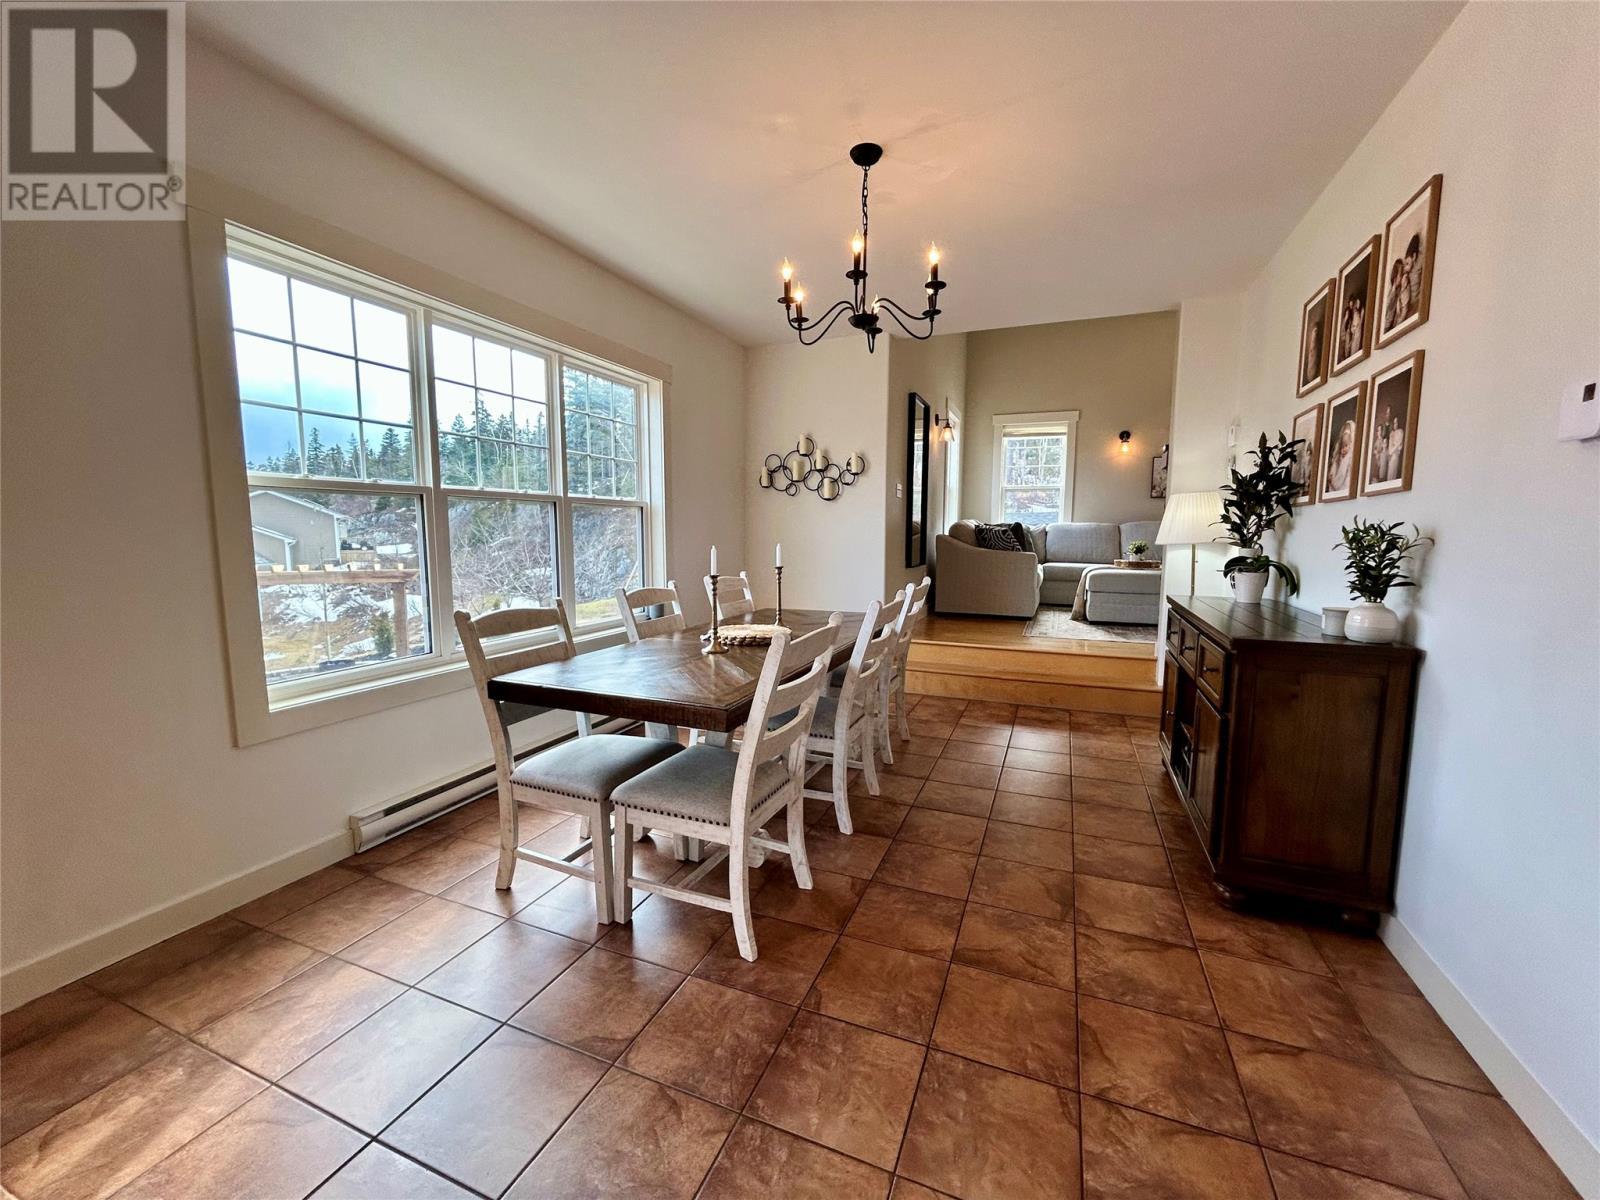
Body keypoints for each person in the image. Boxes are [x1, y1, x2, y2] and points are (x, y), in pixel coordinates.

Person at [1325, 418, 1354, 493]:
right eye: (1342, 446)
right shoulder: (1338, 458)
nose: (1343, 449)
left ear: (1351, 445)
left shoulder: (1349, 458)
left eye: (1346, 445)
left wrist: (1333, 481)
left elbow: (1341, 475)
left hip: (1344, 486)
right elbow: (1332, 473)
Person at [1384, 259, 1409, 331]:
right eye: (1400, 275)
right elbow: (1387, 306)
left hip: (1391, 324)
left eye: (1401, 275)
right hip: (1387, 324)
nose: (1401, 278)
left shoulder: (1400, 289)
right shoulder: (1392, 290)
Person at [1404, 233, 1424, 314]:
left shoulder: (1419, 264)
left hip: (1416, 300)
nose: (1406, 267)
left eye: (1407, 263)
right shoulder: (1410, 271)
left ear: (1414, 256)